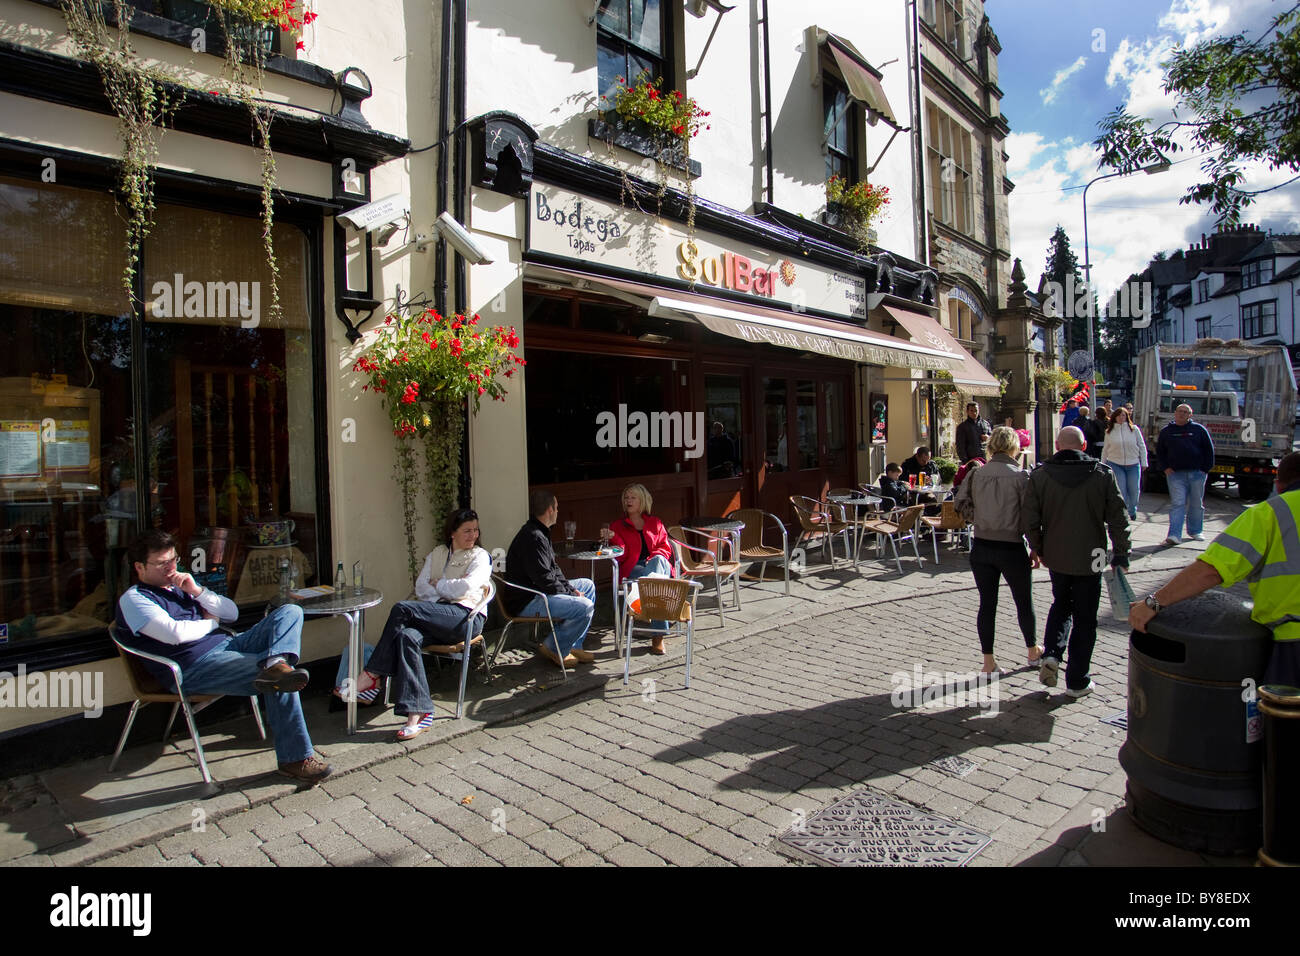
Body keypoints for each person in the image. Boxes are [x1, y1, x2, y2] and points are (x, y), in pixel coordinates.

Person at [115, 529, 331, 784]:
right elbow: (174, 634)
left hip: (229, 645)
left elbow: (232, 613)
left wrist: (197, 591)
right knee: (283, 679)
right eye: (162, 563)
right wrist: (210, 623)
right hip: (194, 667)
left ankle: (275, 664)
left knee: (290, 611)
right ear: (139, 567)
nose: (171, 568)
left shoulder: (180, 586)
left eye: (174, 560)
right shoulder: (134, 599)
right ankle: (295, 759)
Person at [1129, 451, 1300, 686]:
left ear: (1279, 484)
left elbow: (1211, 570)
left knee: (1284, 719)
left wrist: (1153, 603)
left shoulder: (1271, 513)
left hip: (1293, 643)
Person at [352, 509, 491, 740]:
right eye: (467, 531)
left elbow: (466, 589)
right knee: (407, 636)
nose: (473, 535)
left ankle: (372, 674)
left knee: (402, 608)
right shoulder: (437, 554)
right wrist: (444, 590)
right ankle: (419, 711)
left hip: (466, 618)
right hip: (437, 616)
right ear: (452, 533)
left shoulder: (480, 556)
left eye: (475, 530)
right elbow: (421, 588)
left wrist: (440, 585)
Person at [1023, 426, 1131, 698]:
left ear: (1058, 446)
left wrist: (1038, 547)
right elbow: (1118, 517)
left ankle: (1052, 653)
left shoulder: (1041, 476)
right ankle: (1077, 679)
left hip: (1057, 554)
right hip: (1091, 555)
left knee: (1061, 604)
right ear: (1084, 447)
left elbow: (1029, 519)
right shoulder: (1102, 475)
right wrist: (1121, 553)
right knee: (1086, 617)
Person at [955, 427, 1043, 674]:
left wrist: (980, 518)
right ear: (1015, 447)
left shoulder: (976, 474)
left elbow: (960, 505)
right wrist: (1035, 546)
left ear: (991, 446)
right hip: (1011, 546)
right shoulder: (1021, 476)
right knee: (1024, 601)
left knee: (987, 604)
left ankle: (988, 661)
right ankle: (1033, 650)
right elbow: (1029, 517)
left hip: (982, 545)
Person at [502, 489, 596, 667]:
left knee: (587, 585)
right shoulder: (533, 537)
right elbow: (544, 580)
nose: (559, 511)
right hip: (527, 600)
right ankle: (554, 647)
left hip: (539, 591)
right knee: (585, 607)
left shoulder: (541, 531)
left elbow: (553, 568)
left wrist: (570, 589)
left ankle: (573, 645)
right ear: (550, 510)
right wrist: (572, 594)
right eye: (557, 508)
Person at [607, 482, 674, 654]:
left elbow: (665, 548)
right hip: (634, 568)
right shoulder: (617, 526)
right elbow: (619, 555)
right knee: (656, 582)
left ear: (642, 500)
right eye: (626, 498)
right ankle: (658, 636)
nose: (628, 501)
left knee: (658, 562)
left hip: (656, 564)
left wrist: (652, 559)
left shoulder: (655, 523)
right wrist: (615, 538)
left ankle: (644, 604)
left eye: (633, 497)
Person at [1156, 402, 1214, 545]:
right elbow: (1160, 452)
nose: (1182, 414)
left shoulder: (1199, 430)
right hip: (1175, 475)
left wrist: (1205, 469)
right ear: (1175, 413)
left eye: (1185, 412)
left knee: (1196, 503)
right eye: (1180, 411)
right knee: (1178, 503)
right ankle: (1174, 535)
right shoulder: (1166, 431)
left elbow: (1209, 450)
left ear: (1190, 415)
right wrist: (1165, 468)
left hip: (1197, 474)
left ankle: (1195, 531)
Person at [1101, 405, 1148, 522]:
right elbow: (1105, 449)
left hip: (1133, 463)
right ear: (1114, 417)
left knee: (1134, 489)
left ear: (1127, 416)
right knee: (1121, 489)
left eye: (1123, 415)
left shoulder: (1134, 429)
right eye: (1119, 415)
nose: (1121, 418)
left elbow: (1142, 446)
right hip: (1115, 463)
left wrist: (1144, 462)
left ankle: (1132, 510)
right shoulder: (1109, 431)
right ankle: (1123, 512)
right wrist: (1103, 463)